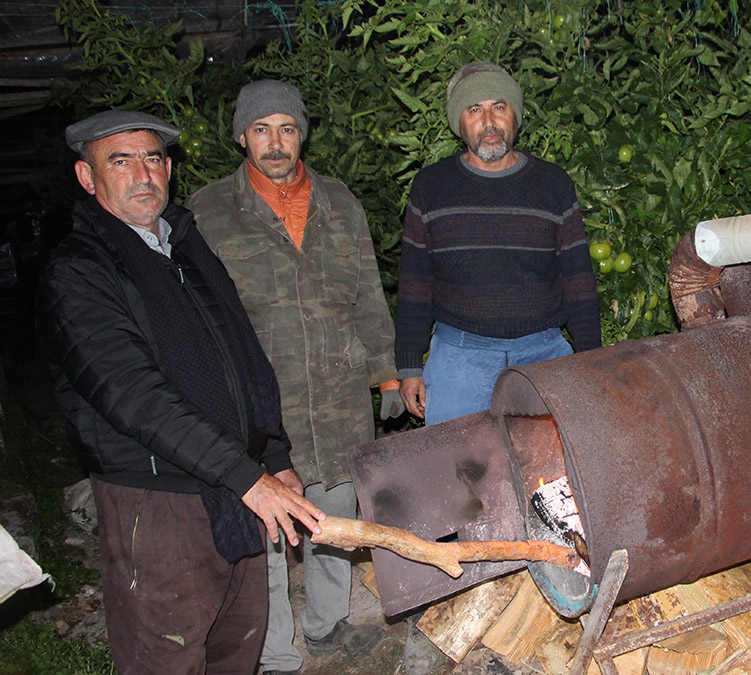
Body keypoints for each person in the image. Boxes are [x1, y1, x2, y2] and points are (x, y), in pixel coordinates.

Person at [37, 109, 325, 674]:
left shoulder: (187, 247)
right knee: (167, 652)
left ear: (168, 169)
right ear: (87, 177)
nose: (142, 175)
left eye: (152, 159)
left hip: (235, 483)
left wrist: (273, 455)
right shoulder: (79, 271)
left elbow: (245, 355)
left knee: (236, 646)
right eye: (120, 161)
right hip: (157, 497)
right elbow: (133, 397)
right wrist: (248, 476)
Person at [187, 80, 396, 674]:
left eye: (286, 128)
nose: (275, 143)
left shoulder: (339, 203)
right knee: (269, 528)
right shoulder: (206, 212)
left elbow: (369, 298)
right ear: (241, 137)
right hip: (257, 401)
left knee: (332, 515)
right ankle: (275, 650)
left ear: (302, 133)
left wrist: (383, 372)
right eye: (261, 130)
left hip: (337, 393)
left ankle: (327, 625)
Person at [394, 62, 602, 426]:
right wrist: (410, 364)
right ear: (460, 123)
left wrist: (591, 359)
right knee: (461, 474)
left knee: (553, 474)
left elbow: (578, 281)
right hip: (459, 357)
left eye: (499, 107)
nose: (489, 122)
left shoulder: (552, 184)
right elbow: (415, 283)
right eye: (475, 110)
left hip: (544, 354)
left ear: (515, 118)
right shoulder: (431, 187)